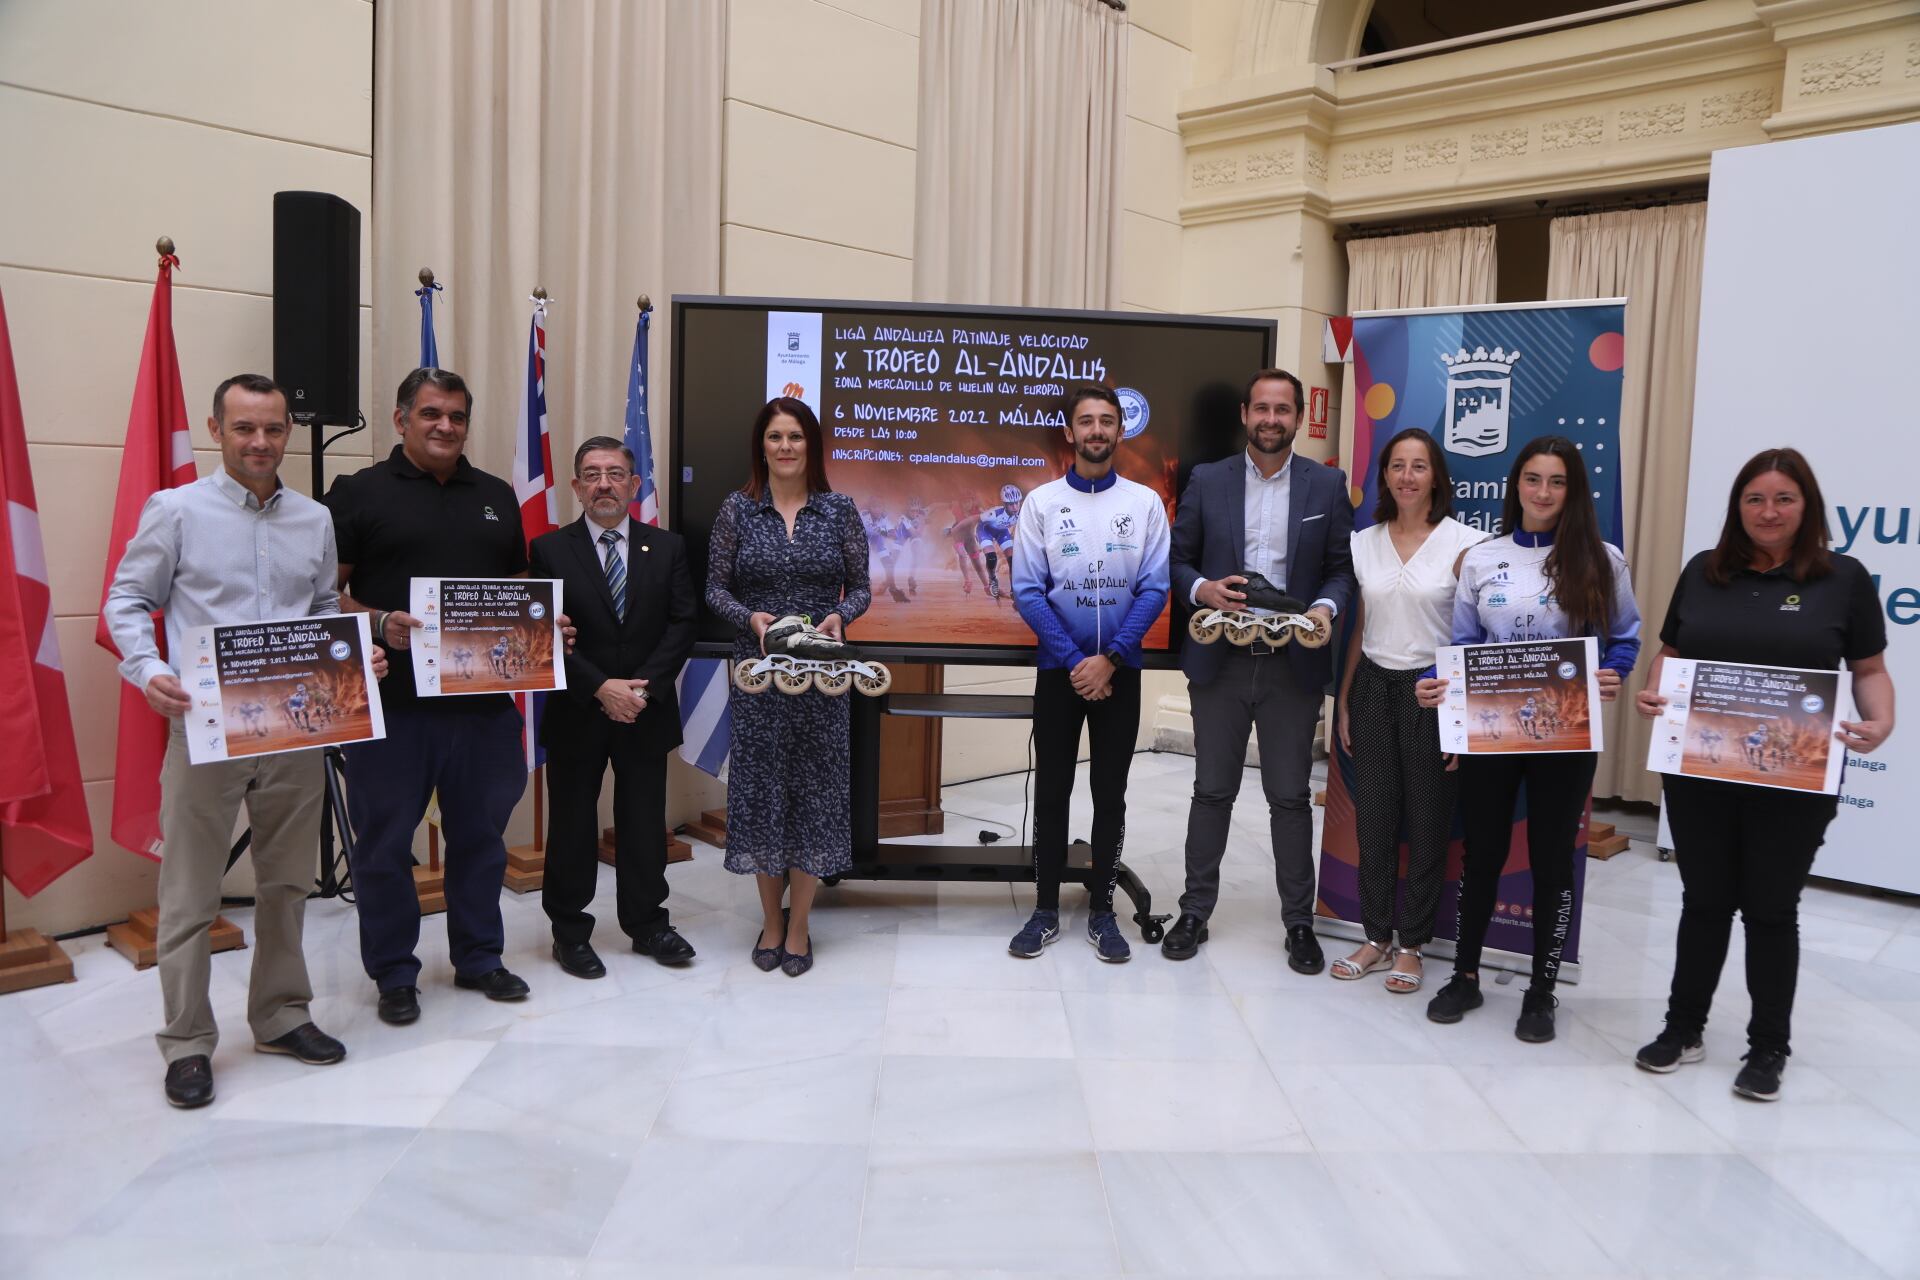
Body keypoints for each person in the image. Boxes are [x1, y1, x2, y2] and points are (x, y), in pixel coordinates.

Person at [104, 373, 380, 1108]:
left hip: (297, 727)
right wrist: (148, 666)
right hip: (204, 729)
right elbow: (128, 600)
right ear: (216, 430)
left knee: (287, 881)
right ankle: (188, 1043)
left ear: (288, 430)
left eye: (273, 428)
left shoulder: (314, 519)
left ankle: (281, 1016)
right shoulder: (177, 510)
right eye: (244, 429)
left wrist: (356, 655)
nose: (260, 443)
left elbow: (322, 607)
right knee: (191, 894)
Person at [1633, 448, 1894, 1100]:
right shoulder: (1704, 572)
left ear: (1806, 506)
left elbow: (1869, 671)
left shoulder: (1845, 578)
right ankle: (1682, 1028)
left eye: (1783, 499)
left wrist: (1880, 723)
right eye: (1755, 499)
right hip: (1700, 771)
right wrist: (1654, 693)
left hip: (1793, 779)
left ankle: (1768, 1046)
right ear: (1737, 507)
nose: (1768, 511)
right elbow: (1672, 653)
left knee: (1772, 910)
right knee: (1704, 901)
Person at [324, 367, 562, 1024]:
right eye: (431, 414)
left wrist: (542, 623)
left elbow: (517, 582)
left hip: (483, 708)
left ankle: (481, 957)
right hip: (391, 706)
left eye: (457, 416)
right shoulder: (357, 492)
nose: (445, 427)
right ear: (401, 420)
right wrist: (378, 622)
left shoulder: (495, 495)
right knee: (383, 844)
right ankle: (395, 974)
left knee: (482, 838)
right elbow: (327, 593)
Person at [1417, 435, 1641, 1042]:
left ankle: (1541, 990)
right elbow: (1461, 646)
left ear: (1573, 491)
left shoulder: (1603, 559)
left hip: (1565, 735)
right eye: (1533, 480)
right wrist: (1437, 683)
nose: (1543, 493)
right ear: (1516, 486)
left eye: (1557, 481)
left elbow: (1625, 637)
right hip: (1492, 732)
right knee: (1483, 852)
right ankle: (1465, 975)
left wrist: (1612, 672)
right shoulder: (1483, 559)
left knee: (1550, 859)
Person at [1164, 368, 1355, 969]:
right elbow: (1175, 558)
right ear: (1245, 414)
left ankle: (1299, 923)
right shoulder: (1207, 479)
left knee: (1290, 799)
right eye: (1262, 409)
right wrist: (1201, 589)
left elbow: (1341, 570)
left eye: (1284, 410)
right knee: (1211, 791)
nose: (1272, 420)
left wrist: (1323, 609)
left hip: (1291, 669)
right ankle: (1194, 911)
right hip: (1219, 663)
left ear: (1298, 418)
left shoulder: (1326, 488)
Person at [705, 397, 871, 977]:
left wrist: (839, 617)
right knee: (763, 798)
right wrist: (751, 618)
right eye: (774, 437)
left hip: (823, 678)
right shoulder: (737, 511)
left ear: (811, 445)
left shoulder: (839, 510)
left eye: (795, 437)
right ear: (762, 446)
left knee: (816, 801)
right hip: (759, 678)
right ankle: (769, 923)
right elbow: (715, 591)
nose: (784, 447)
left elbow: (862, 590)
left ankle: (798, 926)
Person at [1006, 384, 1170, 963]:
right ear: (1070, 433)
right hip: (1061, 674)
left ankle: (1103, 911)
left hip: (1120, 673)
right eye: (1086, 421)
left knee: (1111, 794)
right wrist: (1077, 662)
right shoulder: (1041, 504)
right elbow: (1027, 591)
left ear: (1120, 431)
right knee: (1051, 792)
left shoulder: (1145, 503)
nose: (1097, 431)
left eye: (1107, 421)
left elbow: (1155, 589)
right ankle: (1045, 910)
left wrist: (1113, 658)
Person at [528, 436, 697, 979]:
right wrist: (601, 687)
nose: (604, 483)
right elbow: (546, 635)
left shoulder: (667, 547)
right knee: (573, 823)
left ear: (635, 485)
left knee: (644, 821)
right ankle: (570, 932)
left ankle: (648, 923)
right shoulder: (550, 550)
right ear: (576, 487)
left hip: (645, 710)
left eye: (616, 473)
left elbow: (682, 624)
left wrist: (640, 690)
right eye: (592, 474)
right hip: (579, 710)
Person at [1332, 428, 1484, 993]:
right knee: (1374, 819)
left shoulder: (1465, 543)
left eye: (1419, 466)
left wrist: (1461, 716)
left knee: (1427, 822)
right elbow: (1362, 626)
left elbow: (1474, 636)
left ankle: (1413, 945)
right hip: (1372, 685)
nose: (1407, 476)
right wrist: (1345, 697)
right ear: (1385, 476)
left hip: (1432, 691)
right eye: (1397, 465)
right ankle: (1375, 936)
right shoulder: (1363, 541)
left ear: (1437, 477)